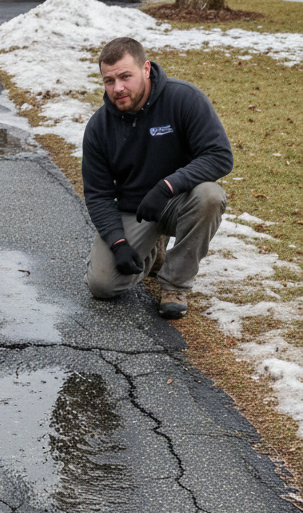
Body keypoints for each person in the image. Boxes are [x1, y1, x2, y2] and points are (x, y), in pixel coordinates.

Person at [82, 37, 233, 319]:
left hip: (180, 201)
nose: (118, 88)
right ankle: (153, 251)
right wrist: (118, 243)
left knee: (211, 196)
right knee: (102, 286)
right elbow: (98, 194)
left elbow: (219, 155)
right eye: (109, 81)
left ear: (146, 69)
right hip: (135, 211)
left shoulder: (184, 99)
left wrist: (168, 186)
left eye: (125, 77)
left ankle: (175, 284)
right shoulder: (99, 127)